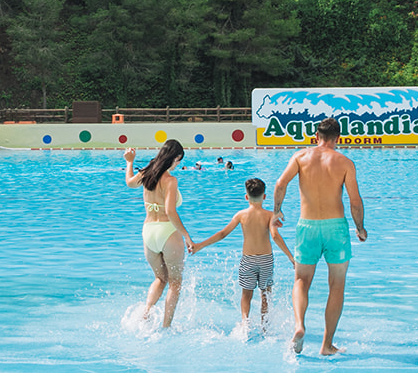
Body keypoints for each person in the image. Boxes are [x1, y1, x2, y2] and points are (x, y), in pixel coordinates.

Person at [273, 117, 366, 355]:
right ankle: (326, 345)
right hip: (336, 229)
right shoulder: (345, 162)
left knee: (301, 280)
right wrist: (360, 228)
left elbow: (280, 184)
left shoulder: (300, 157)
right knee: (337, 285)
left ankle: (299, 325)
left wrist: (276, 211)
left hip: (308, 226)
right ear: (338, 139)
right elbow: (355, 201)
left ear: (316, 137)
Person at [189, 177, 295, 332]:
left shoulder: (241, 215)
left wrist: (199, 246)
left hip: (248, 260)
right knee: (266, 294)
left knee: (246, 294)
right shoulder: (270, 215)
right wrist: (291, 257)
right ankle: (265, 327)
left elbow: (223, 234)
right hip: (266, 259)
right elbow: (275, 236)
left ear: (246, 197)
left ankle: (245, 323)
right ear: (264, 196)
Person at [124, 141, 194, 328]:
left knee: (160, 278)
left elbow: (130, 183)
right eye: (179, 160)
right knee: (175, 283)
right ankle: (166, 327)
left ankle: (145, 314)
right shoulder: (170, 180)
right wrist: (187, 236)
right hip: (167, 231)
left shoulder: (146, 172)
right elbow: (170, 212)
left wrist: (129, 162)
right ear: (176, 158)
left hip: (148, 232)